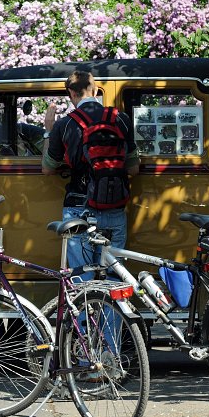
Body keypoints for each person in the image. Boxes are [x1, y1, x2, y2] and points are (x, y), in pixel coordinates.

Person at [41, 70, 139, 276]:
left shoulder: (64, 125)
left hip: (78, 207)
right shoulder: (121, 119)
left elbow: (48, 168)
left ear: (71, 93)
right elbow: (133, 169)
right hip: (114, 205)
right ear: (95, 90)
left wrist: (48, 131)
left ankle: (86, 308)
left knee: (82, 275)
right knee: (113, 274)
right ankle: (114, 309)